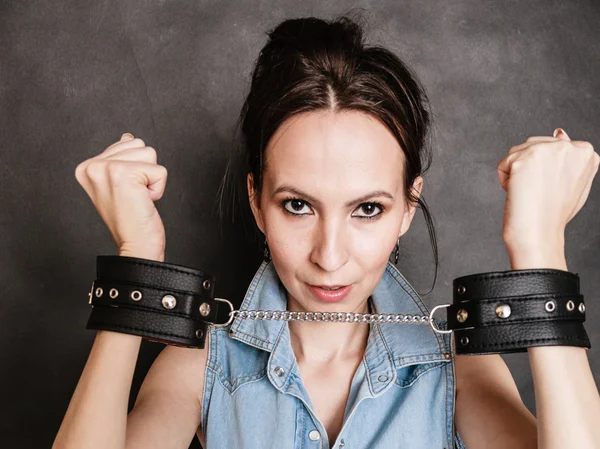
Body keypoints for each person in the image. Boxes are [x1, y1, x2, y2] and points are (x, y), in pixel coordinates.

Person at [53, 15, 600, 449]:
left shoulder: (461, 370)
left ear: (409, 207)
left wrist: (540, 251)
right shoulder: (202, 366)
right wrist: (137, 268)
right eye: (297, 205)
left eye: (366, 209)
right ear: (256, 202)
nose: (330, 257)